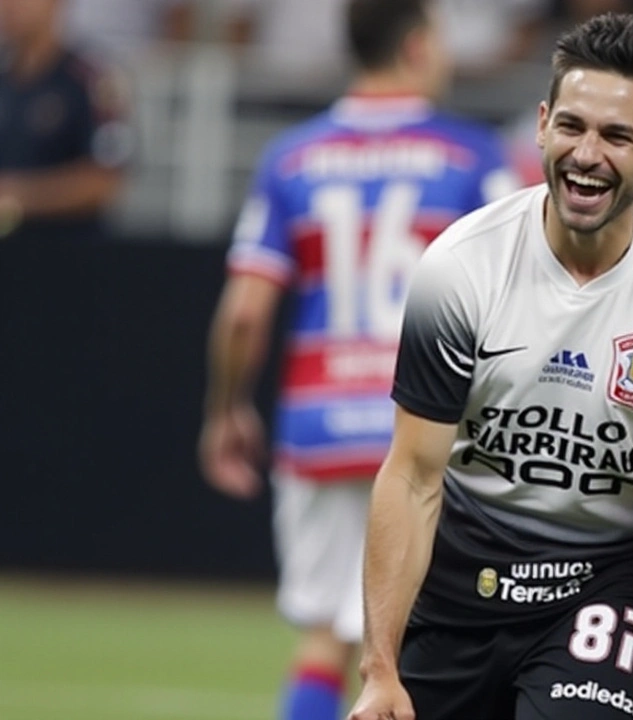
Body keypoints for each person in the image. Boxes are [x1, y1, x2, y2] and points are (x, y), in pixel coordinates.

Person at [346, 13, 633, 720]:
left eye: (618, 136)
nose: (587, 154)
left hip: (602, 590)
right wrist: (380, 668)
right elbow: (411, 478)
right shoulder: (459, 267)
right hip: (460, 578)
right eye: (572, 126)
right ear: (540, 124)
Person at [198, 1, 516, 719]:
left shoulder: (293, 156)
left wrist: (225, 410)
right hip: (429, 428)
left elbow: (246, 310)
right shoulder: (472, 157)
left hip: (317, 426)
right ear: (414, 45)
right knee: (427, 645)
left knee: (322, 638)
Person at [0, 0, 132, 243]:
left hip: (67, 257)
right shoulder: (4, 77)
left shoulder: (93, 77)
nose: (11, 5)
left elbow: (106, 179)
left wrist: (20, 196)